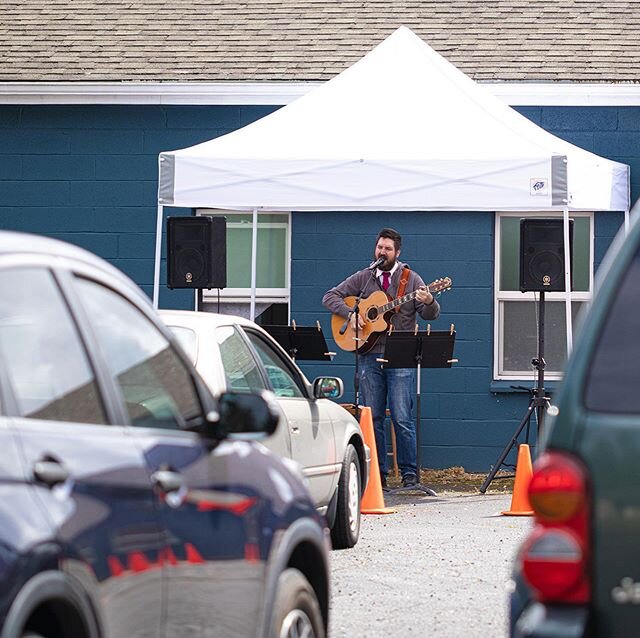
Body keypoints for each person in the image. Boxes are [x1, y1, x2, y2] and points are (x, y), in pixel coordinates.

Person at [322, 227, 440, 488]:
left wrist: (430, 299)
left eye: (387, 248)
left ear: (397, 253)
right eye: (379, 247)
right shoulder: (364, 277)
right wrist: (350, 314)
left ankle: (410, 477)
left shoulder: (410, 279)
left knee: (401, 417)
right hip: (368, 355)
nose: (382, 252)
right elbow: (330, 296)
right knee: (372, 416)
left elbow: (430, 314)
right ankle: (377, 477)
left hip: (400, 356)